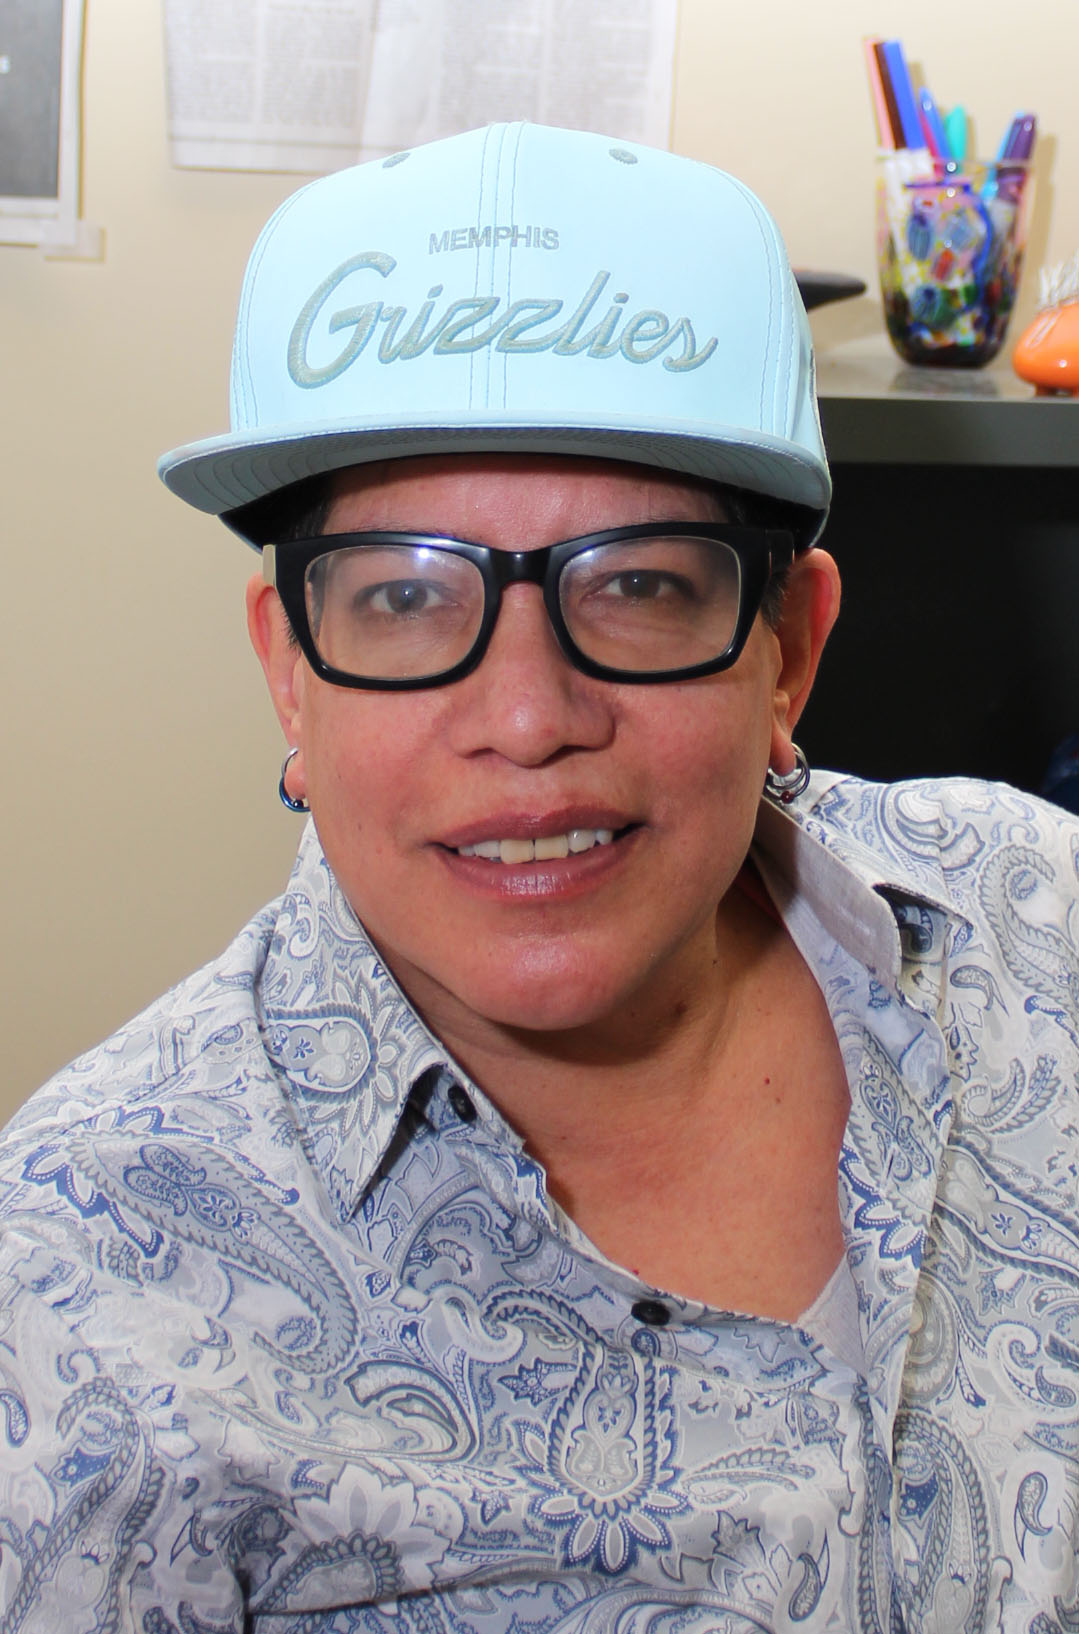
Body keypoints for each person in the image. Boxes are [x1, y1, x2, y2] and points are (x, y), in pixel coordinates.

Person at [1, 121, 1077, 1633]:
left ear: (788, 652)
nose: (525, 720)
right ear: (291, 675)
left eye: (637, 584)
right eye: (405, 597)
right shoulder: (83, 1273)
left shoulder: (1039, 918)